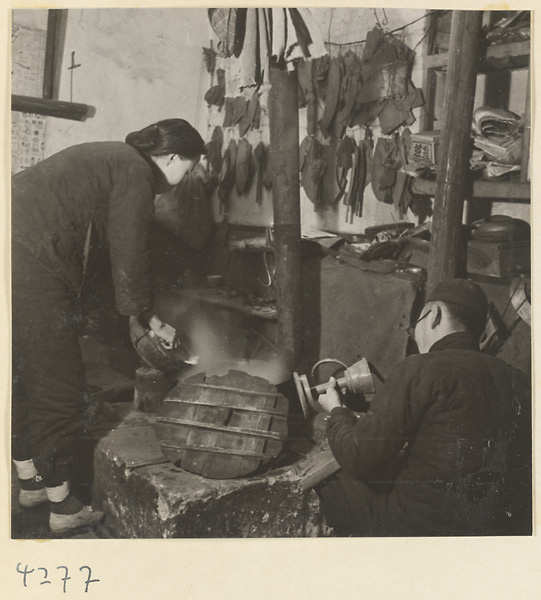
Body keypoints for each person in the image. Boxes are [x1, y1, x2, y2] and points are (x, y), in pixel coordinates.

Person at [12, 118, 206, 534]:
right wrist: (148, 317)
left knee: (24, 374)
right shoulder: (134, 170)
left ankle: (30, 483)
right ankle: (63, 508)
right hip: (28, 257)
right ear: (171, 157)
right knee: (58, 386)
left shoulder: (112, 158)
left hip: (12, 246)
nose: (182, 180)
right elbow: (129, 251)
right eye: (186, 171)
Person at [317, 278, 531, 536]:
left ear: (434, 316)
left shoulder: (419, 367)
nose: (415, 335)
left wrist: (336, 410)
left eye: (413, 326)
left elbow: (358, 457)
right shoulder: (520, 380)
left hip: (419, 532)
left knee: (335, 482)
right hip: (497, 534)